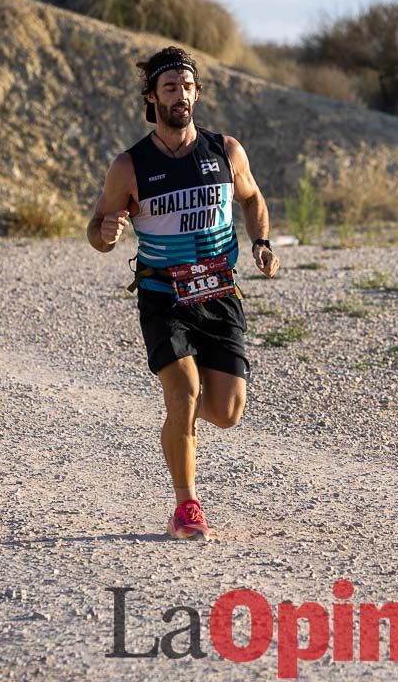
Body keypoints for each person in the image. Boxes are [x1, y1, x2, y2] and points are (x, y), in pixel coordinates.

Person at [87, 46, 280, 539]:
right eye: (169, 88)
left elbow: (253, 197)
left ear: (197, 93)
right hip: (163, 297)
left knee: (227, 411)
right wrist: (105, 233)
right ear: (152, 97)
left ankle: (180, 429)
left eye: (187, 87)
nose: (181, 96)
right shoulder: (130, 165)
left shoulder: (226, 151)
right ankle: (186, 505)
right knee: (184, 392)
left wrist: (260, 241)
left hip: (219, 295)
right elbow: (98, 226)